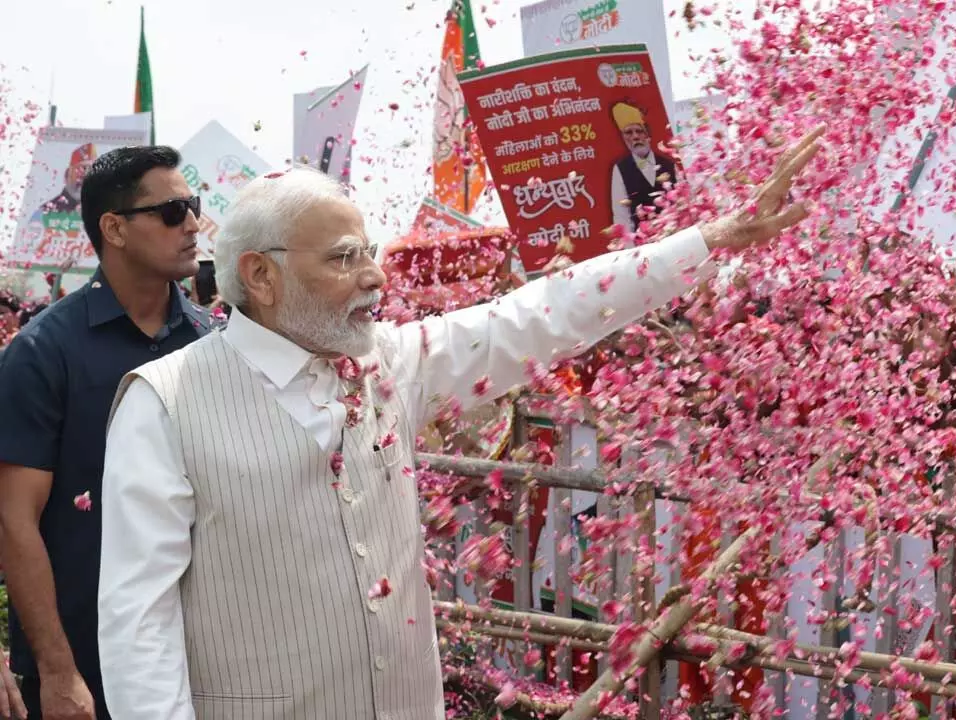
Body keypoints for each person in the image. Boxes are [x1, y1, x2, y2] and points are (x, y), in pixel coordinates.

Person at [96, 126, 825, 719]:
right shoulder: (163, 404)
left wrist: (711, 241)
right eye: (345, 259)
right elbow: (140, 624)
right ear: (259, 275)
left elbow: (542, 313)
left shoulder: (390, 364)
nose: (376, 278)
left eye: (370, 255)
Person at [0, 145, 210, 720]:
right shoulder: (43, 354)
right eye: (171, 212)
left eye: (193, 205)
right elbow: (15, 520)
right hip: (86, 667)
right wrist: (57, 671)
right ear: (114, 229)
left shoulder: (212, 343)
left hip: (200, 658)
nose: (193, 224)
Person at [609, 101, 679, 233]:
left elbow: (682, 203)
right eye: (629, 133)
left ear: (647, 135)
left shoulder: (669, 165)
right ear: (623, 138)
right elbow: (621, 216)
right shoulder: (620, 169)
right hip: (643, 246)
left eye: (639, 131)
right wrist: (632, 251)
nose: (635, 137)